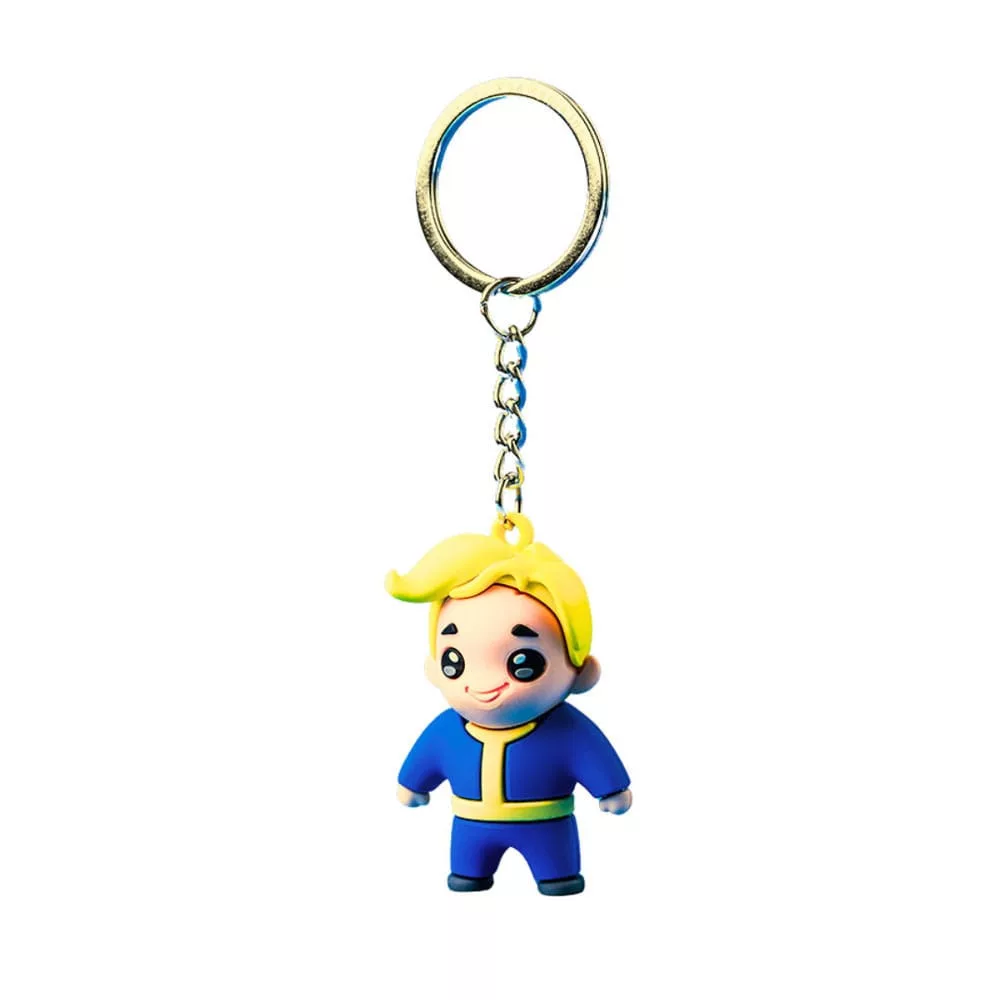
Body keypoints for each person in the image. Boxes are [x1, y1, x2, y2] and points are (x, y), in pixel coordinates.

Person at [386, 513, 631, 895]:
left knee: (558, 881)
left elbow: (592, 755)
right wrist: (413, 784)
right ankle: (470, 876)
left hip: (547, 826)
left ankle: (556, 879)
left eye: (522, 662)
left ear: (580, 671)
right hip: (470, 826)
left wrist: (609, 788)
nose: (483, 685)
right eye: (454, 661)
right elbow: (426, 758)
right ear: (434, 667)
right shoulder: (447, 729)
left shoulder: (567, 729)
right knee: (467, 878)